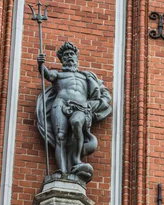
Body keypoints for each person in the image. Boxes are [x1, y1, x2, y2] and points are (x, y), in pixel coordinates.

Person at [36, 42, 112, 182]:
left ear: (76, 58)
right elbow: (47, 74)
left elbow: (103, 94)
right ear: (62, 60)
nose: (69, 57)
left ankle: (76, 159)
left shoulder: (87, 76)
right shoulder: (59, 75)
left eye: (71, 55)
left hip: (81, 106)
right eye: (65, 56)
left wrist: (96, 104)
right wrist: (41, 65)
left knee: (77, 122)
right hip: (61, 104)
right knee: (60, 136)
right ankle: (62, 171)